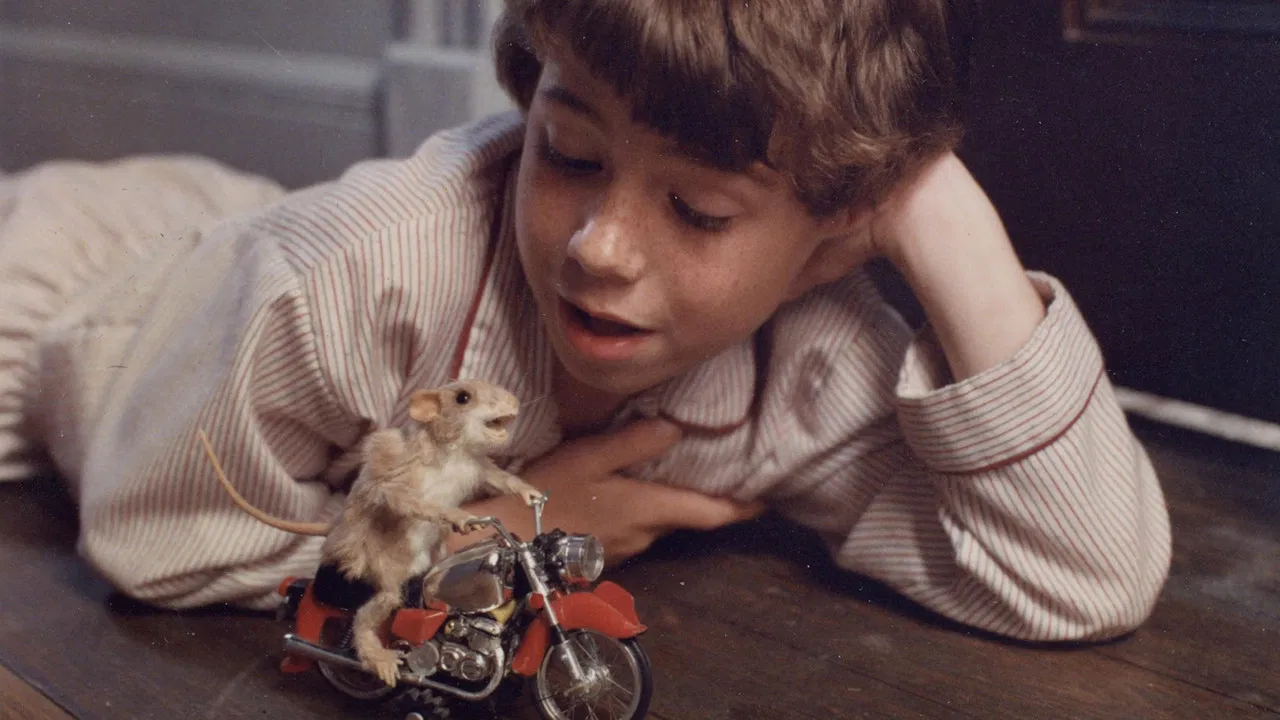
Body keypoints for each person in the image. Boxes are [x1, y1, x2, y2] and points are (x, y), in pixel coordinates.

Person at [0, 0, 1171, 643]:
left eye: (700, 209)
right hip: (79, 293)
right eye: (566, 152)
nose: (597, 247)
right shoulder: (341, 275)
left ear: (837, 224)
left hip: (236, 267)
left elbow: (1082, 576)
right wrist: (512, 531)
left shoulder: (804, 357)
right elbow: (159, 536)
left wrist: (942, 210)